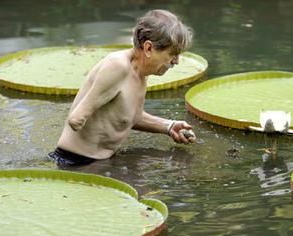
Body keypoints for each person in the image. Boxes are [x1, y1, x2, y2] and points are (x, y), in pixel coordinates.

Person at [49, 9, 196, 166]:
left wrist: (169, 126)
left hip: (102, 161)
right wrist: (81, 116)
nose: (176, 61)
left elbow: (129, 116)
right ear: (148, 48)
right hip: (75, 162)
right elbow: (76, 119)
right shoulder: (117, 66)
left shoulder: (141, 72)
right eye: (173, 54)